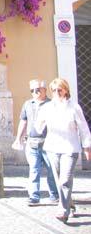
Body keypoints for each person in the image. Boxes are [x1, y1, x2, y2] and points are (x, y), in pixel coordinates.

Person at [36, 78, 91, 223]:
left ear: (66, 90)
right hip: (52, 148)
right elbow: (38, 126)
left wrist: (87, 146)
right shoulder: (48, 107)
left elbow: (84, 129)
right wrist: (39, 122)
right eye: (53, 90)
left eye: (59, 90)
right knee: (59, 180)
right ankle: (70, 204)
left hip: (70, 148)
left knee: (65, 180)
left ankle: (63, 209)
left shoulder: (74, 107)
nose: (56, 93)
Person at [12, 79, 58, 206]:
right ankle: (34, 196)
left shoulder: (52, 104)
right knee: (34, 169)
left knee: (51, 170)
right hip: (32, 142)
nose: (35, 92)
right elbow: (23, 121)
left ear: (44, 90)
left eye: (38, 89)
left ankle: (54, 195)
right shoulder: (28, 104)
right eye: (32, 90)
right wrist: (18, 138)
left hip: (48, 142)